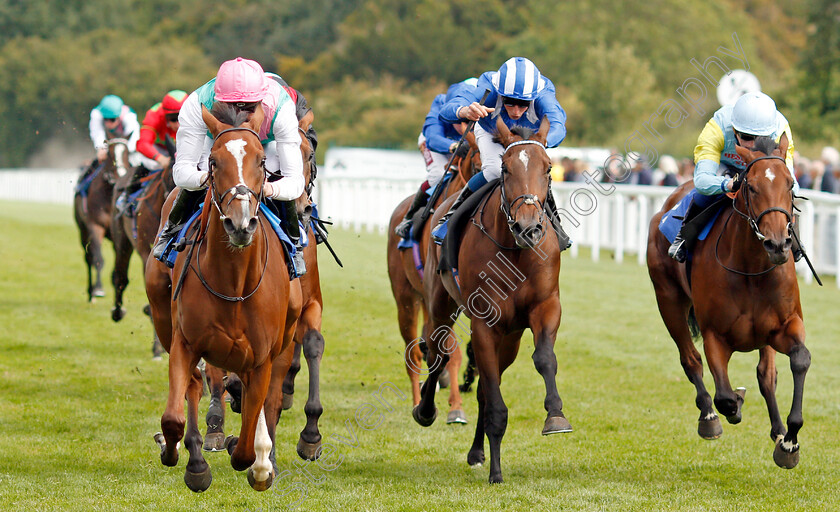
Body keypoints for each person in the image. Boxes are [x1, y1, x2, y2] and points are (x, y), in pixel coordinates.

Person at [151, 57, 307, 276]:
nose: (240, 116)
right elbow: (182, 171)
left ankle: (294, 245)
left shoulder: (281, 109)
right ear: (218, 99)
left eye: (249, 108)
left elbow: (294, 180)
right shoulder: (197, 104)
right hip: (216, 140)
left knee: (275, 171)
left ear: (262, 101)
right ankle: (171, 232)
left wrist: (270, 188)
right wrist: (209, 178)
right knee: (200, 176)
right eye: (231, 107)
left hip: (266, 143)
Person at [432, 57, 570, 249]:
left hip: (530, 137)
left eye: (523, 104)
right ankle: (451, 218)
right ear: (500, 93)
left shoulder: (543, 92)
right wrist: (464, 111)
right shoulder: (488, 84)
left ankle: (556, 225)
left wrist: (541, 142)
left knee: (536, 171)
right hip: (492, 131)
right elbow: (447, 110)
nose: (515, 111)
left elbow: (558, 125)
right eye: (509, 102)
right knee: (495, 171)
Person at [668, 91, 801, 262]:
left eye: (761, 139)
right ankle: (684, 237)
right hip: (725, 167)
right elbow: (702, 181)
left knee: (783, 192)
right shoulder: (717, 127)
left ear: (771, 133)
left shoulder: (780, 128)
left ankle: (795, 243)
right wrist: (728, 184)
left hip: (761, 170)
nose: (753, 145)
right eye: (746, 137)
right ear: (734, 130)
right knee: (704, 193)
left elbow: (792, 182)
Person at [393, 78, 475, 239]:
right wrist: (454, 147)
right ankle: (408, 217)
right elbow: (433, 138)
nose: (466, 127)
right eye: (461, 121)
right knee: (438, 174)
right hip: (435, 143)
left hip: (466, 144)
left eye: (471, 121)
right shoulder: (440, 104)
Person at [115, 90, 188, 214]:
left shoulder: (197, 113)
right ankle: (128, 195)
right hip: (160, 149)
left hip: (184, 147)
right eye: (173, 119)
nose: (178, 124)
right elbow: (142, 143)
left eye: (181, 117)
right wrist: (159, 158)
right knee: (150, 163)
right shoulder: (154, 115)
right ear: (165, 116)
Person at [83, 95, 141, 177]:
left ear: (119, 117)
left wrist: (127, 151)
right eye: (105, 119)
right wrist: (102, 149)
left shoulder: (129, 116)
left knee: (135, 161)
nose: (108, 123)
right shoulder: (96, 114)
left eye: (112, 119)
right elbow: (97, 133)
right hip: (108, 144)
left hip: (125, 145)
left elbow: (134, 137)